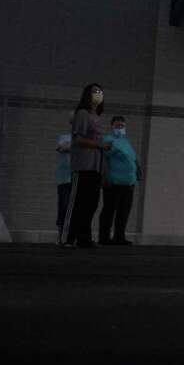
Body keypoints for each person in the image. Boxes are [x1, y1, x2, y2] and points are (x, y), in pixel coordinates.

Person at [62, 84, 111, 248]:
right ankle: (68, 237)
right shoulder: (82, 114)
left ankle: (85, 238)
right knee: (78, 202)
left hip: (95, 167)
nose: (98, 94)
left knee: (91, 204)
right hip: (83, 165)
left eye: (100, 92)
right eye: (94, 92)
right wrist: (100, 146)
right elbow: (78, 139)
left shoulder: (97, 117)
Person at [98, 116, 141, 246]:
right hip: (114, 182)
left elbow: (132, 158)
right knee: (109, 210)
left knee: (124, 211)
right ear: (112, 127)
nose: (120, 128)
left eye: (122, 126)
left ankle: (119, 237)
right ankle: (104, 237)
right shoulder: (108, 140)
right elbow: (103, 158)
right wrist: (104, 177)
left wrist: (137, 170)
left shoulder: (126, 142)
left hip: (129, 183)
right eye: (117, 126)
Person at [55, 124, 72, 239]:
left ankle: (71, 235)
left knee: (75, 208)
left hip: (77, 178)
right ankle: (61, 235)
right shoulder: (64, 137)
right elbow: (61, 148)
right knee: (63, 205)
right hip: (64, 178)